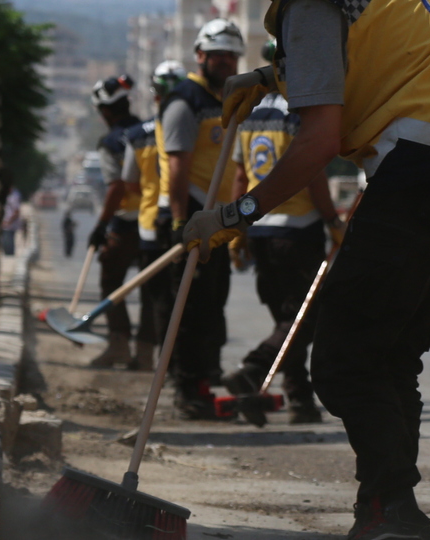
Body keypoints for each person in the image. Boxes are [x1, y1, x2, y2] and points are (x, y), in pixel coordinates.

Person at [182, 0, 430, 537]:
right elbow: (375, 53)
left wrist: (236, 213)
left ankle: (392, 506)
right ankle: (387, 511)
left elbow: (319, 141)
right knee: (392, 356)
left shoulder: (310, 4)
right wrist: (272, 77)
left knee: (345, 363)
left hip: (420, 169)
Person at [222, 41, 345, 424]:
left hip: (260, 230)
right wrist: (332, 221)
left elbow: (240, 178)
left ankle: (299, 399)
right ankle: (254, 368)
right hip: (297, 231)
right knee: (304, 319)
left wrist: (238, 229)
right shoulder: (302, 112)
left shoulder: (251, 115)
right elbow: (314, 175)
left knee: (286, 319)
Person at [155, 19, 242, 419]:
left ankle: (202, 381)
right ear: (200, 56)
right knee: (189, 311)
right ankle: (187, 389)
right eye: (218, 55)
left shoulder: (225, 98)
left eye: (231, 56)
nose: (225, 62)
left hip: (215, 219)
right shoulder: (184, 100)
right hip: (190, 215)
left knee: (211, 306)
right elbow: (178, 167)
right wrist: (179, 223)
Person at [119, 61, 187, 371]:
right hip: (186, 220)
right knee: (185, 297)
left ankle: (149, 357)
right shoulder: (195, 126)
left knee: (155, 299)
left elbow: (130, 183)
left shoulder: (137, 135)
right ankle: (179, 364)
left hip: (150, 225)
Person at [87, 74, 149, 369]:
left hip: (125, 225)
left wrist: (101, 225)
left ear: (105, 111)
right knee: (152, 289)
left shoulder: (110, 142)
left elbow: (116, 188)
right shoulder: (148, 131)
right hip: (152, 222)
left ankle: (119, 345)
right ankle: (147, 354)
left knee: (111, 283)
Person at [0, 187, 21, 256]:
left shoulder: (14, 196)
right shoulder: (9, 195)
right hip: (7, 223)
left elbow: (16, 212)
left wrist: (8, 222)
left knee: (8, 244)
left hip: (10, 224)